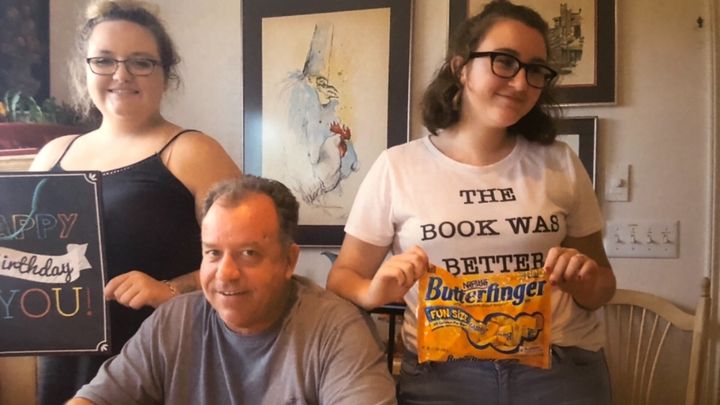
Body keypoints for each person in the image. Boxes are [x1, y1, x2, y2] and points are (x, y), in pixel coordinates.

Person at [326, 1, 616, 403]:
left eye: (536, 70)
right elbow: (343, 277)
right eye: (504, 61)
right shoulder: (397, 167)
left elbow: (602, 286)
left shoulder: (560, 163)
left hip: (558, 373)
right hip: (443, 379)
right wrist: (374, 292)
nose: (521, 83)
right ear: (460, 67)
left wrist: (584, 279)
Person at [29, 0, 241, 403]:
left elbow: (250, 259)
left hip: (158, 364)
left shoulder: (192, 152)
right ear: (85, 70)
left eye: (141, 62)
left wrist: (168, 290)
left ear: (166, 74)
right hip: (63, 368)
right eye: (104, 60)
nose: (121, 74)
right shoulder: (50, 155)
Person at [66, 175, 397, 405]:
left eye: (249, 253)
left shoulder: (337, 330)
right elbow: (98, 397)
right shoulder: (173, 322)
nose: (226, 273)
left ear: (289, 261)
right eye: (213, 253)